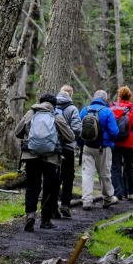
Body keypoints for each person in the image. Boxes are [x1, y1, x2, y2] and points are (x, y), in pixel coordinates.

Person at [13, 93, 74, 232]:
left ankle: (30, 215)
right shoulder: (56, 116)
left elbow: (17, 132)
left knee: (32, 186)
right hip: (51, 158)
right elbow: (70, 137)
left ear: (40, 102)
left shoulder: (31, 113)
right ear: (54, 105)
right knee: (49, 188)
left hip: (30, 156)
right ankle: (45, 220)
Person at [78, 89, 119, 210]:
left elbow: (79, 129)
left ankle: (86, 200)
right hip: (103, 148)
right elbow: (115, 132)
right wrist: (110, 142)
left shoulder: (84, 110)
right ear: (105, 99)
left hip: (87, 147)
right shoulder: (107, 111)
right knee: (104, 174)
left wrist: (81, 144)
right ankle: (108, 199)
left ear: (94, 97)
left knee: (87, 174)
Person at [110, 86, 133, 200]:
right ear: (130, 97)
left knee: (115, 167)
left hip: (115, 142)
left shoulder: (112, 109)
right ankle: (130, 192)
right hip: (130, 143)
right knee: (129, 167)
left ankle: (117, 193)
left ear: (119, 96)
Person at [54, 85, 82, 218]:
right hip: (68, 148)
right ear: (71, 94)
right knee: (68, 177)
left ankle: (52, 205)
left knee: (53, 177)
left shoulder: (51, 106)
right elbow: (77, 129)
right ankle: (65, 204)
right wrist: (70, 138)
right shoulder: (72, 109)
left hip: (52, 148)